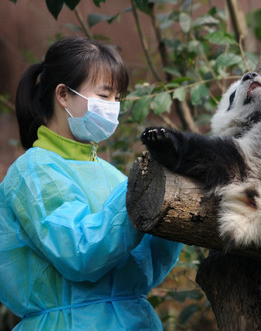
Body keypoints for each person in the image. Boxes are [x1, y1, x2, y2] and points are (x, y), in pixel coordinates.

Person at [0, 37, 183, 330]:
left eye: (116, 98)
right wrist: (138, 193)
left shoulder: (110, 174)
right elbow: (79, 253)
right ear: (63, 95)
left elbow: (147, 267)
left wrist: (171, 207)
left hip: (136, 320)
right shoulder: (33, 171)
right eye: (104, 95)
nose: (113, 107)